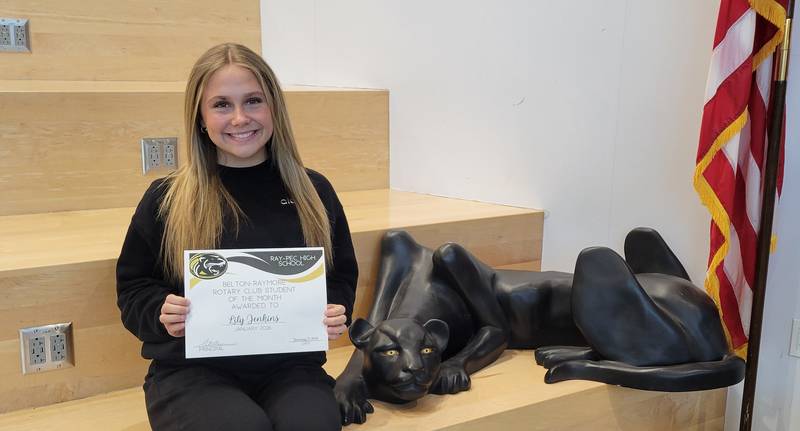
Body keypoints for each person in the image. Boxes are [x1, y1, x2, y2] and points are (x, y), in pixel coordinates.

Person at [116, 43, 357, 431]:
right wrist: (162, 311)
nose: (240, 118)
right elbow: (133, 289)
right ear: (200, 116)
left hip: (291, 368)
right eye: (222, 105)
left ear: (274, 107)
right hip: (191, 371)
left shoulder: (314, 191)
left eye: (253, 101)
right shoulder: (166, 198)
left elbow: (340, 276)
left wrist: (332, 310)